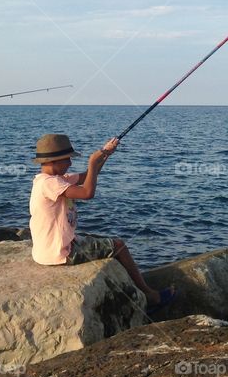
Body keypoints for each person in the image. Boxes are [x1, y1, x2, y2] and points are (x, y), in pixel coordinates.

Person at [29, 133, 175, 311]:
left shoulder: (53, 180)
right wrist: (91, 161)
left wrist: (105, 153)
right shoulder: (50, 184)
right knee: (119, 246)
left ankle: (137, 291)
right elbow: (87, 193)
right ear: (54, 161)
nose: (70, 163)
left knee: (101, 240)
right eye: (67, 159)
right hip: (60, 253)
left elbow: (91, 175)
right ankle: (150, 296)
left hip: (50, 248)